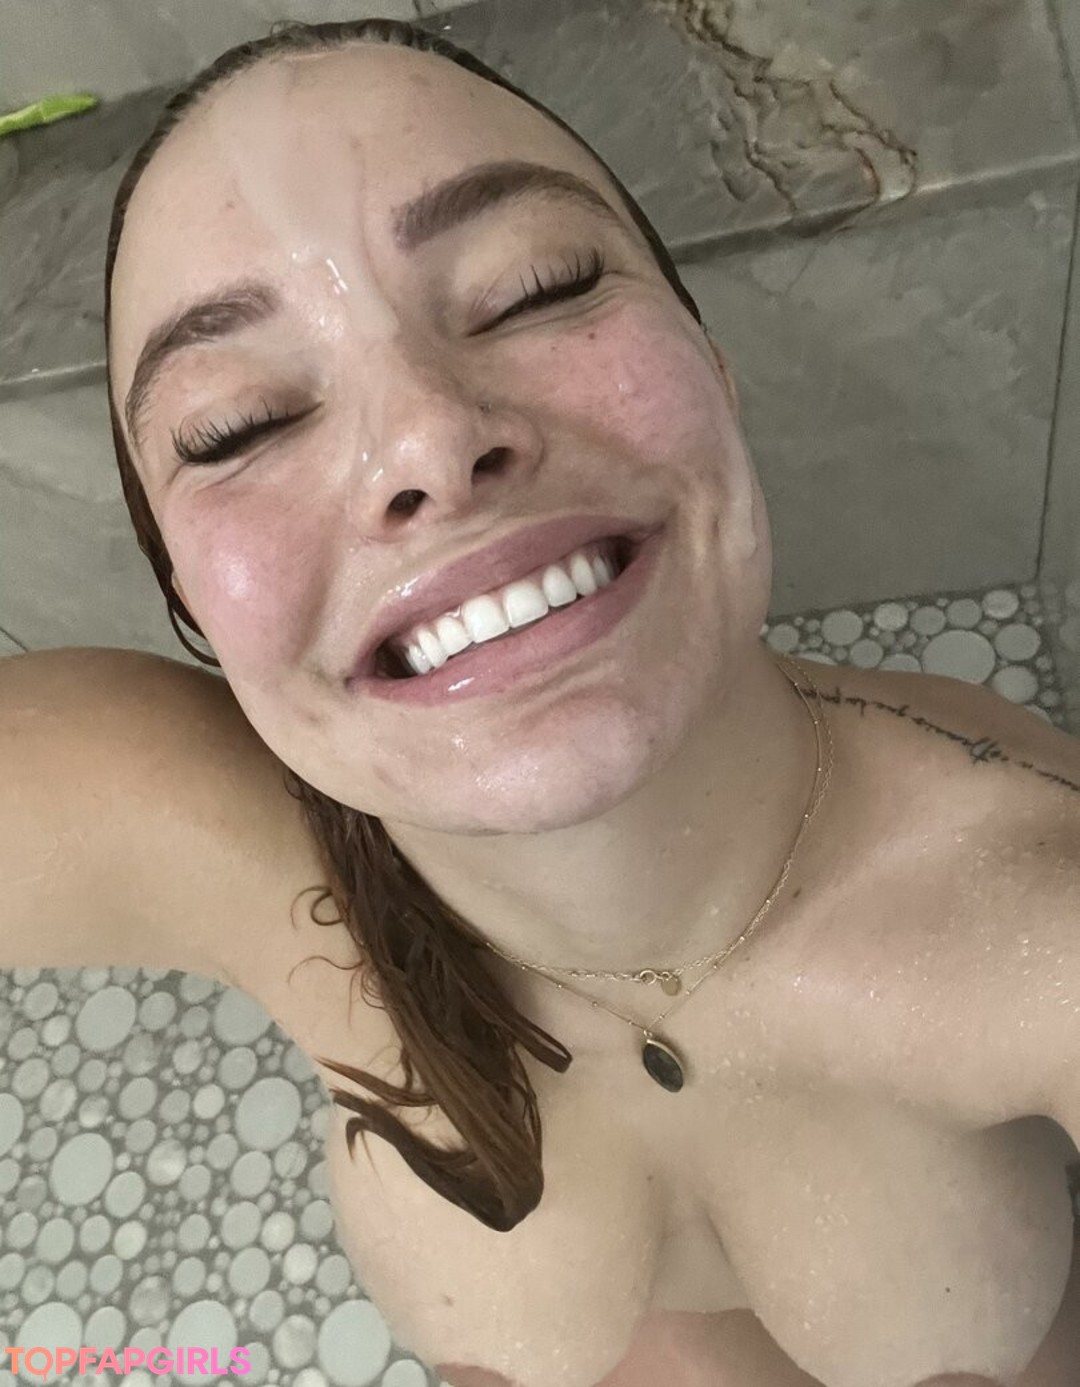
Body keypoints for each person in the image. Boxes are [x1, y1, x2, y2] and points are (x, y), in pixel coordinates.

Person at [4, 16, 1080, 1387]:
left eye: (534, 287)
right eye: (240, 426)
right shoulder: (221, 852)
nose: (428, 439)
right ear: (192, 606)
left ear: (715, 370)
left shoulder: (1040, 919)